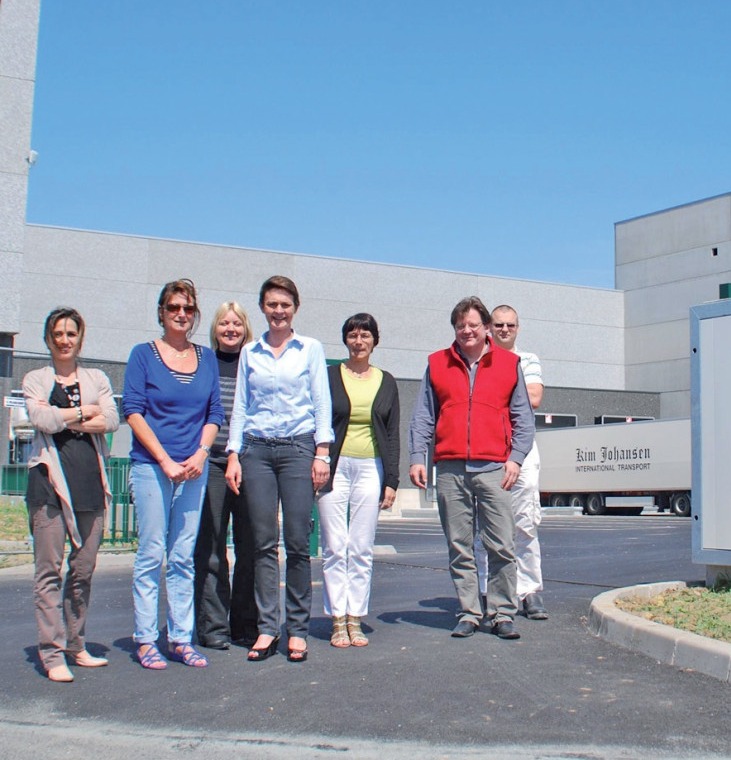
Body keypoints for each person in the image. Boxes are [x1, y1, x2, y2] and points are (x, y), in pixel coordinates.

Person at [409, 296, 534, 640]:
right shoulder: (437, 363)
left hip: (495, 467)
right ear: (455, 329)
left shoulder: (509, 364)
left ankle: (502, 612)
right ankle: (468, 611)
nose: (467, 331)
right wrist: (417, 457)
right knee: (459, 545)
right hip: (450, 468)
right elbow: (423, 416)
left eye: (473, 325)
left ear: (485, 328)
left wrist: (516, 457)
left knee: (502, 545)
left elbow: (523, 417)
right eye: (461, 325)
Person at [225, 276, 332, 663]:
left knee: (299, 543)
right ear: (263, 308)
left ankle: (297, 629)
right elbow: (241, 405)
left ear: (295, 308)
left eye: (285, 304)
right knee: (262, 543)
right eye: (271, 304)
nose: (278, 311)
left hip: (298, 450)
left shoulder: (310, 349)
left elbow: (321, 401)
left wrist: (322, 454)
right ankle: (268, 628)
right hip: (257, 451)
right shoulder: (250, 352)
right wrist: (234, 453)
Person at [123, 279, 224, 671]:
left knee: (183, 557)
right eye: (173, 308)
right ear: (161, 312)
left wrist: (200, 454)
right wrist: (165, 461)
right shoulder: (143, 355)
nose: (181, 314)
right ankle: (146, 638)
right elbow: (133, 410)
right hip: (152, 467)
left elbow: (214, 412)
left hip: (194, 468)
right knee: (151, 553)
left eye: (187, 308)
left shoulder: (206, 358)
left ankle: (180, 637)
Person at [23, 308, 120, 683]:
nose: (65, 340)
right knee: (49, 572)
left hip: (90, 486)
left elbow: (111, 420)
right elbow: (42, 420)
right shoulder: (36, 378)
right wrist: (83, 412)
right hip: (48, 486)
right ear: (48, 339)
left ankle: (76, 645)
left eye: (71, 333)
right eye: (58, 333)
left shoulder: (96, 378)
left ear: (81, 338)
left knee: (82, 571)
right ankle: (51, 653)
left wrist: (64, 415)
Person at [317, 313, 400, 648]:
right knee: (335, 546)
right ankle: (338, 619)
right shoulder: (329, 376)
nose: (359, 341)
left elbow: (392, 433)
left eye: (365, 335)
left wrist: (391, 480)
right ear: (345, 340)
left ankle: (356, 618)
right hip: (333, 467)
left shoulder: (386, 381)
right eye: (353, 335)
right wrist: (318, 460)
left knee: (361, 546)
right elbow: (318, 421)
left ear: (374, 340)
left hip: (371, 468)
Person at [192, 301, 257, 650]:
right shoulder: (203, 363)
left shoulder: (254, 363)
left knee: (250, 548)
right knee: (212, 548)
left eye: (236, 324)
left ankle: (245, 624)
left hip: (249, 463)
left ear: (245, 328)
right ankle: (212, 626)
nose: (230, 329)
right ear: (215, 329)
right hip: (212, 462)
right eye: (223, 324)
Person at [490, 304, 548, 620]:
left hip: (523, 448)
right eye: (499, 325)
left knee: (526, 520)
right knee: (488, 523)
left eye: (510, 325)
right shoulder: (480, 360)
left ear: (518, 328)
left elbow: (535, 396)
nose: (505, 330)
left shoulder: (529, 360)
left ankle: (529, 591)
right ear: (489, 327)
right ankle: (494, 592)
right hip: (489, 449)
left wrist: (496, 391)